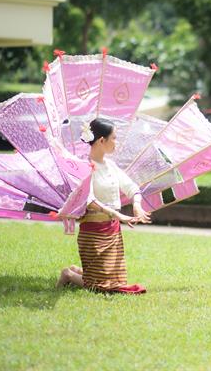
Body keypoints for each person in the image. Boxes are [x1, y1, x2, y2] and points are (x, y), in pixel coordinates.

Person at [57, 118, 152, 293]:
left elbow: (131, 187)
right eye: (114, 138)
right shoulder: (83, 167)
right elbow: (89, 200)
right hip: (93, 230)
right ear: (102, 140)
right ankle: (68, 275)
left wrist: (137, 205)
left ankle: (77, 271)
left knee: (114, 283)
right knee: (101, 287)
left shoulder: (111, 165)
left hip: (113, 230)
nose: (116, 142)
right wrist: (117, 214)